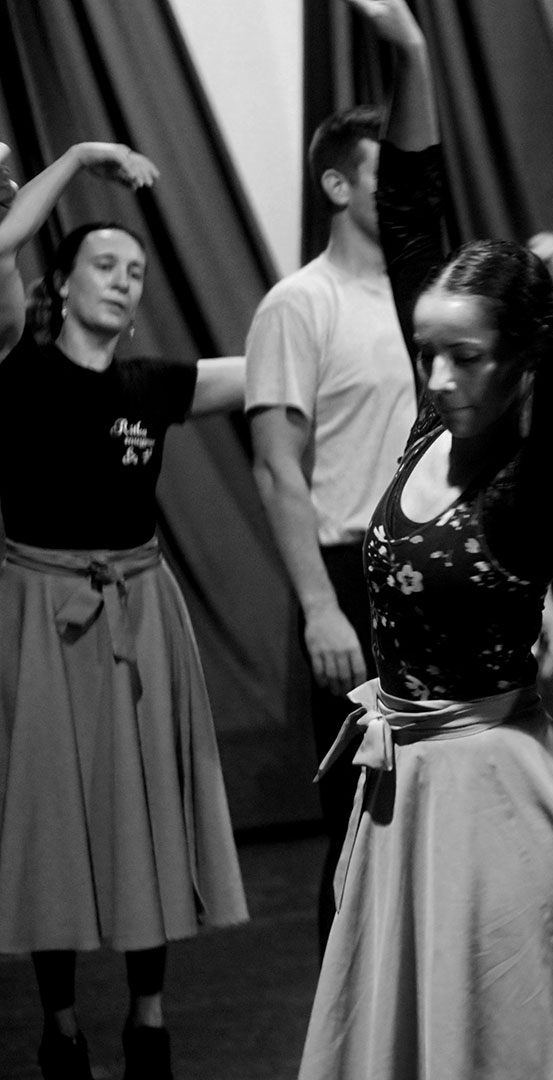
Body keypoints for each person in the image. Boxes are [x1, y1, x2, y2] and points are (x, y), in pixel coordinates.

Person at [298, 3, 553, 1077]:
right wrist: (412, 54)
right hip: (404, 799)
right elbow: (412, 217)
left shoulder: (532, 482)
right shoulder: (435, 423)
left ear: (517, 361)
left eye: (463, 358)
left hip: (493, 804)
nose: (434, 377)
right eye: (426, 352)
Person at [0, 140, 249, 1080]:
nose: (123, 280)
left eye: (135, 272)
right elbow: (1, 245)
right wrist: (79, 160)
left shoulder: (149, 386)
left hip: (140, 611)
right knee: (50, 816)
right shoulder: (17, 367)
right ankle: (61, 1026)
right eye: (104, 264)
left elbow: (273, 365)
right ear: (61, 285)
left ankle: (149, 1020)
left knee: (146, 807)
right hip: (41, 610)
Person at [245, 103, 419, 955]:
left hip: (435, 569)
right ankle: (350, 1019)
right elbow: (277, 467)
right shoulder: (299, 304)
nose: (405, 194)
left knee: (442, 813)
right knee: (361, 820)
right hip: (352, 578)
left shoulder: (427, 300)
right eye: (387, 175)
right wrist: (320, 607)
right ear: (338, 184)